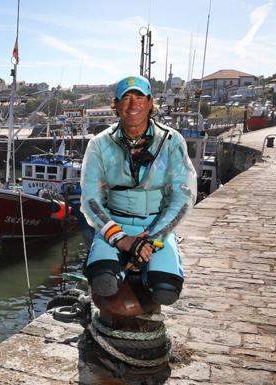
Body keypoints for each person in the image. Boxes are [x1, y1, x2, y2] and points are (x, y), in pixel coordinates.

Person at [80, 75, 197, 315]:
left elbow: (183, 197)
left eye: (139, 97)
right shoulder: (99, 144)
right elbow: (90, 200)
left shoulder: (172, 141)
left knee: (166, 291)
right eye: (126, 98)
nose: (133, 105)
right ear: (115, 104)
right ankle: (120, 264)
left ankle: (148, 267)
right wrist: (121, 239)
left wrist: (154, 239)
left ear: (151, 102)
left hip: (155, 224)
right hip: (115, 224)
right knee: (103, 283)